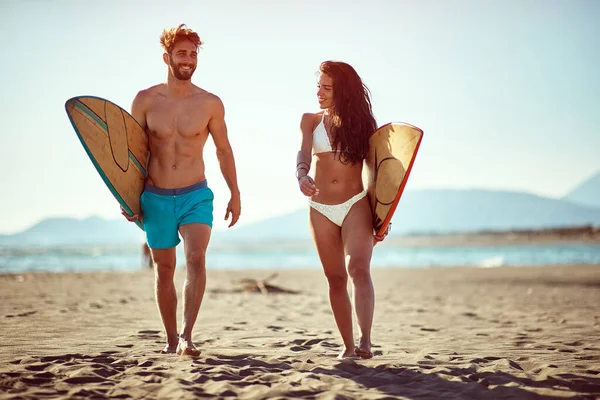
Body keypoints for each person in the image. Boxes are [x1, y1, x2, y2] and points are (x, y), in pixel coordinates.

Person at [121, 24, 241, 357]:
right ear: (167, 57)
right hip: (155, 196)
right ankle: (171, 338)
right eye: (181, 53)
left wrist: (235, 192)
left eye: (192, 54)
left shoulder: (210, 103)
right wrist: (127, 198)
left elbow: (223, 150)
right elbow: (132, 154)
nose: (188, 60)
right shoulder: (145, 100)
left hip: (195, 195)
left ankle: (188, 336)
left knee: (196, 259)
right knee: (164, 269)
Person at [296, 61, 382, 359]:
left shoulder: (364, 124)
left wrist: (383, 214)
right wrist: (301, 174)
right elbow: (304, 152)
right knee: (335, 278)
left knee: (358, 268)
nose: (319, 92)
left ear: (342, 91)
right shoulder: (310, 120)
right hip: (320, 207)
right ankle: (347, 345)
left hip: (355, 203)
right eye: (318, 86)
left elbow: (377, 171)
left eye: (327, 88)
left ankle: (366, 341)